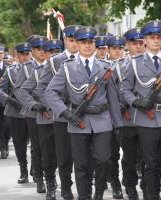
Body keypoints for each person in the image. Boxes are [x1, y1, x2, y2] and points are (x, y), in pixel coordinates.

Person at [45, 26, 123, 200]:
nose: (87, 46)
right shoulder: (67, 67)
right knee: (81, 164)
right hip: (77, 120)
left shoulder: (105, 67)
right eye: (83, 42)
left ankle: (99, 193)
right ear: (77, 45)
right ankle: (84, 196)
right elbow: (50, 92)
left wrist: (118, 124)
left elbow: (113, 98)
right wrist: (65, 112)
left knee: (103, 160)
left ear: (94, 44)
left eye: (90, 42)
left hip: (102, 119)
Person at [121, 20, 161, 199]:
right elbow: (125, 89)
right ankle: (154, 195)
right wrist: (135, 102)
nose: (156, 40)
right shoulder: (134, 63)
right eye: (152, 37)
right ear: (145, 41)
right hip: (146, 119)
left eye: (158, 37)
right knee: (151, 163)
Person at [36, 25, 81, 200]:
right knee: (63, 156)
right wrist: (56, 108)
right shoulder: (54, 61)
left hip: (83, 116)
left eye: (77, 40)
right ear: (65, 40)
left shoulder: (89, 59)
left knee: (84, 156)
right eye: (71, 40)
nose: (75, 44)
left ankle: (84, 187)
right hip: (62, 117)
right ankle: (65, 188)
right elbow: (42, 88)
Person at [19, 39, 63, 200]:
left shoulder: (69, 68)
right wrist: (36, 105)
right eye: (51, 52)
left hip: (64, 117)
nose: (54, 55)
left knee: (62, 154)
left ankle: (60, 180)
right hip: (46, 117)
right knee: (44, 152)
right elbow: (23, 91)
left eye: (57, 51)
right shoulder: (38, 71)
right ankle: (45, 181)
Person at [14, 36, 47, 193]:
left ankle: (47, 173)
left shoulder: (54, 64)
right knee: (37, 146)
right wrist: (33, 102)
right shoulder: (26, 68)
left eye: (43, 48)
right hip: (33, 113)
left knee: (50, 146)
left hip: (51, 112)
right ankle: (39, 178)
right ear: (33, 51)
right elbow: (19, 90)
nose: (42, 52)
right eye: (38, 49)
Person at [0, 42, 31, 184]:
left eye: (27, 53)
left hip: (34, 111)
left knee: (38, 143)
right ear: (17, 56)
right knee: (19, 143)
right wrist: (9, 100)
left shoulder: (37, 68)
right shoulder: (10, 70)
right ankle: (23, 170)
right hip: (16, 112)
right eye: (22, 54)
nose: (25, 57)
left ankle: (36, 167)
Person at [120, 27, 147, 200]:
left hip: (147, 118)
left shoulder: (152, 64)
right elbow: (115, 91)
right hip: (128, 118)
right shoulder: (120, 66)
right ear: (127, 45)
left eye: (140, 43)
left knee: (148, 154)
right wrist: (122, 108)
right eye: (134, 43)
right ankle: (130, 185)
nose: (138, 47)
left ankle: (147, 182)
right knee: (129, 156)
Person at [105, 35, 126, 199]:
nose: (118, 51)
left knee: (132, 152)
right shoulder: (104, 67)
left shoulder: (130, 65)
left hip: (128, 115)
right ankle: (115, 183)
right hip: (110, 116)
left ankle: (128, 178)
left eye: (120, 48)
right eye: (114, 48)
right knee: (112, 153)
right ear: (108, 49)